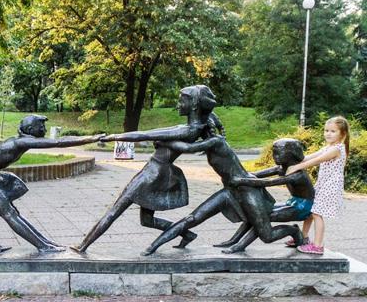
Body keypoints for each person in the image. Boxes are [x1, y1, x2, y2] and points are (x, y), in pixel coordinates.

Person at [72, 85, 223, 254]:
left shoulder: (187, 130)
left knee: (115, 210)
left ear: (194, 105)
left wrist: (111, 137)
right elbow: (153, 133)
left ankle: (83, 246)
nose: (178, 105)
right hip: (158, 172)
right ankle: (187, 234)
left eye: (182, 101)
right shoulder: (192, 128)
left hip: (153, 174)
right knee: (146, 220)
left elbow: (145, 135)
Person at [143, 134, 303, 255]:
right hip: (231, 189)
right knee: (193, 218)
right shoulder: (208, 139)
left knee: (266, 236)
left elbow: (188, 147)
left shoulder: (216, 141)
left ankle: (293, 230)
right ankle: (153, 246)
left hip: (248, 191)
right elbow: (186, 137)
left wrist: (162, 140)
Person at [0, 115, 105, 252]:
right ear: (31, 129)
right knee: (9, 214)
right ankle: (43, 246)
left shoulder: (19, 140)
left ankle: (44, 242)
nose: (45, 129)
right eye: (42, 126)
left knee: (13, 212)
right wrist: (92, 138)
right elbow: (59, 142)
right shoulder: (20, 142)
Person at [214, 138, 315, 253]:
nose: (274, 156)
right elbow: (255, 175)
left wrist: (241, 181)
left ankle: (293, 231)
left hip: (304, 207)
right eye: (274, 152)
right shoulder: (281, 168)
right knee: (257, 213)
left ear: (291, 154)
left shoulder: (298, 175)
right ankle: (234, 240)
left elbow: (269, 182)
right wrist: (235, 175)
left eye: (278, 152)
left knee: (262, 218)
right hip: (294, 201)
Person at [284, 116, 349, 255]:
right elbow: (308, 157)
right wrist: (292, 160)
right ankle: (303, 237)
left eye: (333, 131)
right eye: (326, 130)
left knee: (317, 214)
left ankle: (318, 246)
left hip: (330, 186)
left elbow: (317, 160)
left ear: (342, 134)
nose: (328, 134)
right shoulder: (328, 147)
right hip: (323, 184)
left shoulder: (337, 149)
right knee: (311, 210)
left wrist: (296, 167)